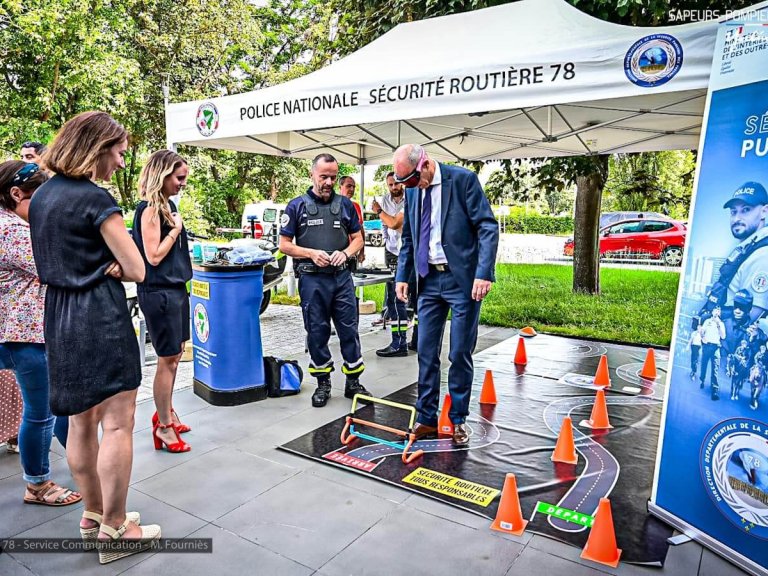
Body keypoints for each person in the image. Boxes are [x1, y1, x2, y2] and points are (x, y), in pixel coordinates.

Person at [29, 111, 160, 563]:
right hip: (100, 316)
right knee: (118, 423)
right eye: (120, 153)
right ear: (97, 148)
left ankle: (93, 514)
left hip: (59, 316)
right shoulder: (96, 200)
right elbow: (139, 269)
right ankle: (118, 528)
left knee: (80, 423)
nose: (122, 164)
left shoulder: (42, 196)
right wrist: (115, 266)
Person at [393, 144, 499, 446]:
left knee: (459, 353)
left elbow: (487, 227)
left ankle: (457, 420)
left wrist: (484, 272)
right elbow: (410, 237)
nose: (408, 187)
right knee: (426, 352)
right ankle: (426, 418)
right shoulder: (413, 190)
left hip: (461, 280)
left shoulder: (462, 180)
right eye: (403, 183)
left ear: (425, 164)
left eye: (411, 180)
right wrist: (403, 275)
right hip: (427, 282)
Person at [0, 160, 79, 507]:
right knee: (41, 412)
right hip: (23, 335)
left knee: (58, 404)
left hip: (27, 333)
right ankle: (37, 484)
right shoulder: (11, 230)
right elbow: (55, 264)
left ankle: (81, 457)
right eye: (39, 199)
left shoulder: (10, 222)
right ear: (15, 194)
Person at [279, 153, 369, 408]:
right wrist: (310, 253)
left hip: (341, 278)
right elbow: (284, 245)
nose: (329, 182)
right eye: (324, 177)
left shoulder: (346, 205)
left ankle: (353, 382)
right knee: (317, 332)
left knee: (349, 330)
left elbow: (358, 239)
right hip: (312, 280)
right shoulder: (296, 206)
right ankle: (323, 384)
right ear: (312, 175)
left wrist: (346, 253)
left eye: (333, 177)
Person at [131, 150, 192, 453]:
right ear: (163, 175)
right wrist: (176, 231)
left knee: (176, 356)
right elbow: (153, 256)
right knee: (166, 361)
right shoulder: (150, 211)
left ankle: (165, 413)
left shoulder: (167, 207)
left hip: (176, 290)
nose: (182, 184)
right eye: (179, 178)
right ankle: (164, 427)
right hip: (160, 293)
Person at [700, 182, 768, 323]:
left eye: (746, 210)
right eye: (733, 212)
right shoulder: (747, 249)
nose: (737, 218)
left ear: (764, 212)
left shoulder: (762, 256)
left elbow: (747, 320)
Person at [372, 172, 416, 356]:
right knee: (393, 298)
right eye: (390, 185)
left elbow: (395, 223)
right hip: (392, 250)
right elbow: (388, 225)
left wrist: (381, 214)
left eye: (396, 184)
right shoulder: (385, 199)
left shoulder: (411, 198)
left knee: (405, 298)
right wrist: (387, 234)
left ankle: (402, 344)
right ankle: (400, 341)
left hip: (408, 250)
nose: (394, 188)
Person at [699, 306, 726, 400]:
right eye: (715, 310)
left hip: (715, 347)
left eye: (719, 310)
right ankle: (702, 380)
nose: (717, 312)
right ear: (712, 311)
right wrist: (703, 338)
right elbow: (701, 332)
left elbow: (723, 336)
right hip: (707, 346)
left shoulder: (721, 323)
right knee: (704, 365)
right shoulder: (707, 321)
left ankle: (714, 389)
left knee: (715, 368)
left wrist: (718, 324)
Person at [339, 175, 365, 264]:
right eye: (348, 186)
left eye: (353, 187)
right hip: (337, 254)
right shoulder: (333, 205)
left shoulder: (356, 206)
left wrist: (362, 251)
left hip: (353, 253)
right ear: (340, 187)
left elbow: (361, 229)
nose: (352, 189)